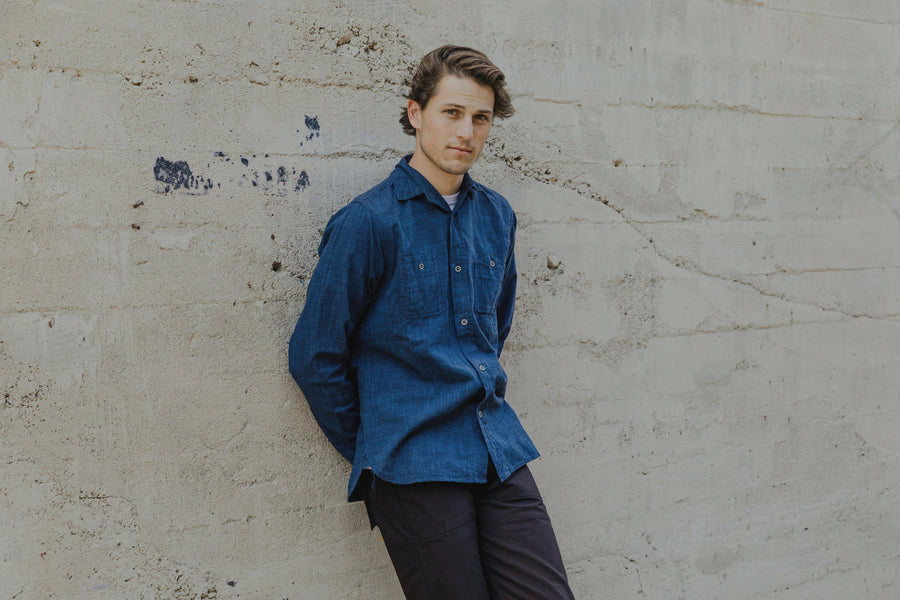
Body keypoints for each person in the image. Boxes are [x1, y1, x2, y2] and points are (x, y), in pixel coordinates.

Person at [288, 45, 575, 599]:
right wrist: (376, 448)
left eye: (481, 118)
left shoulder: (497, 215)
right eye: (452, 112)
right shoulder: (367, 222)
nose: (467, 131)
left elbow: (496, 327)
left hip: (496, 448)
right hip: (412, 464)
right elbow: (314, 357)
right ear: (416, 113)